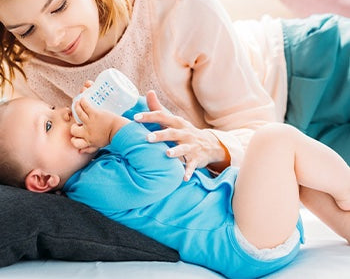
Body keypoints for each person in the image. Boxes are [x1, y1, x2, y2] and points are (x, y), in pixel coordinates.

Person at [1, 0, 350, 181]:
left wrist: (209, 144)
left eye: (59, 5)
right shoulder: (28, 86)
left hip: (310, 66)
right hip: (283, 154)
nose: (53, 38)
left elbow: (257, 125)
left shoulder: (176, 2)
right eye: (25, 30)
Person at [0, 94, 349, 279]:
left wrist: (127, 107)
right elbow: (163, 173)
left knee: (298, 177)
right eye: (47, 125)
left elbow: (157, 143)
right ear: (43, 180)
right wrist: (114, 129)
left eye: (52, 107)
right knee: (274, 140)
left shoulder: (102, 159)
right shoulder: (91, 188)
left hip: (245, 218)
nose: (63, 114)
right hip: (242, 242)